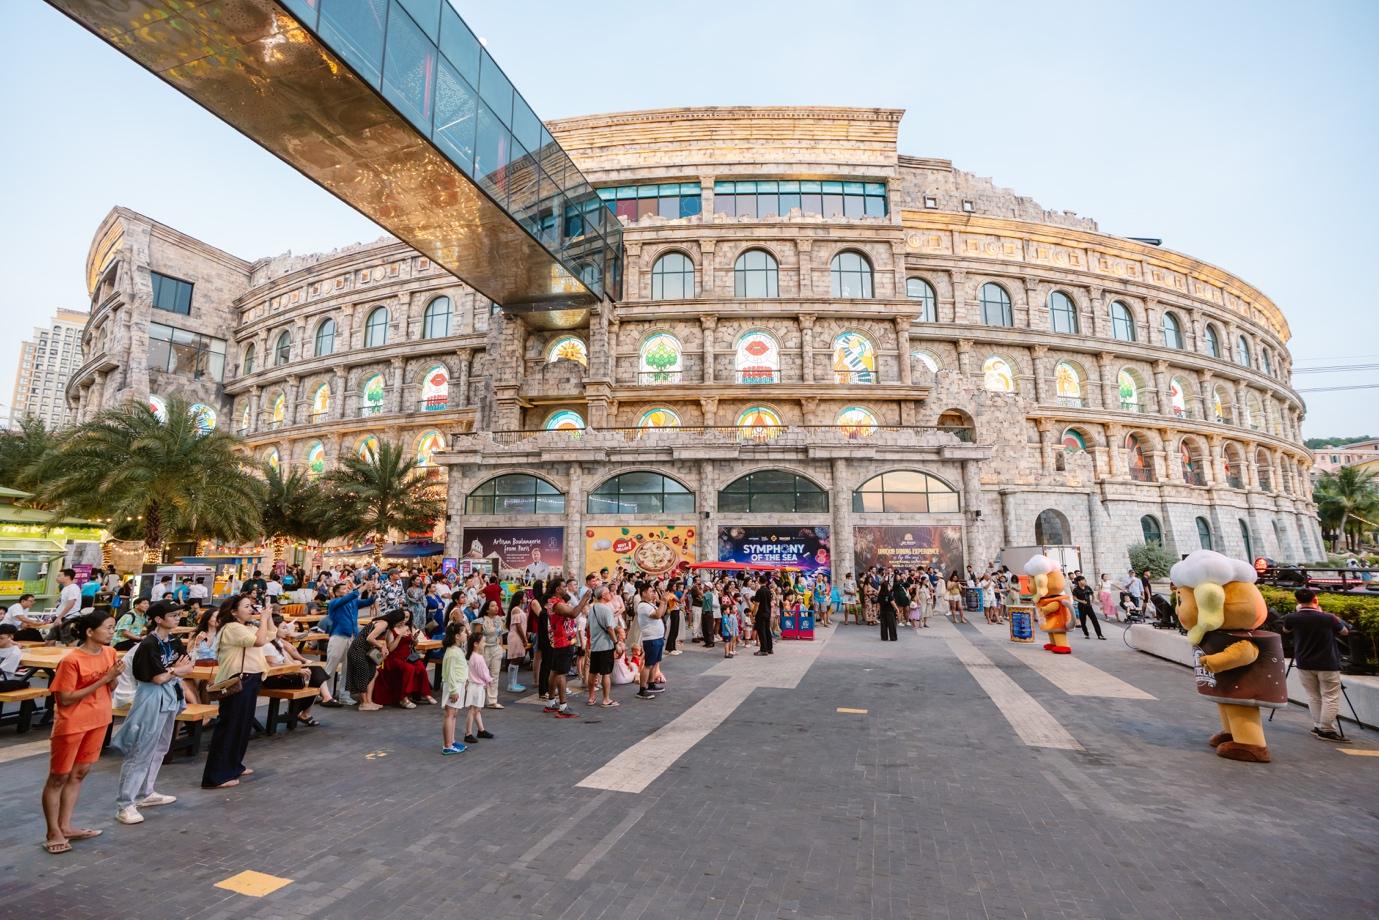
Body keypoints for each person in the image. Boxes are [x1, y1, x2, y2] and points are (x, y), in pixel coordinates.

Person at [43, 611, 121, 854]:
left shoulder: (110, 652)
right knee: (58, 777)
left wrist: (113, 678)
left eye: (113, 627)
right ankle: (53, 831)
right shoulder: (71, 661)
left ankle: (65, 826)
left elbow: (111, 686)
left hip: (98, 719)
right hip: (72, 724)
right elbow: (65, 699)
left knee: (79, 773)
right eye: (108, 628)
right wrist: (105, 679)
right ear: (89, 632)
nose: (111, 632)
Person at [112, 601, 192, 825]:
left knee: (161, 746)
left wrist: (172, 672)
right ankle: (125, 804)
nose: (177, 618)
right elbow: (157, 677)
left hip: (170, 695)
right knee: (141, 750)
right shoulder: (148, 645)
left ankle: (145, 792)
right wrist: (175, 670)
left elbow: (188, 665)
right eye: (173, 615)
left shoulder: (174, 641)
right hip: (149, 698)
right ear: (158, 619)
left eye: (178, 614)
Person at [201, 595, 272, 789]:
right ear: (233, 611)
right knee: (231, 726)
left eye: (251, 606)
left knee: (242, 726)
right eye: (246, 606)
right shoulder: (232, 628)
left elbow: (269, 635)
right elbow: (259, 641)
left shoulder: (246, 627)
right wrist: (264, 618)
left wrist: (268, 616)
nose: (251, 609)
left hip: (251, 678)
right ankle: (216, 776)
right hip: (239, 680)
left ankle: (234, 765)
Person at [1283, 588, 1352, 743]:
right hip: (1327, 663)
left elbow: (1285, 630)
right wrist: (1325, 613)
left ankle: (1318, 726)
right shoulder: (1328, 618)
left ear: (1297, 601)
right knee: (1330, 696)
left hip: (1303, 662)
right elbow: (1345, 632)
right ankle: (1327, 730)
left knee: (1313, 695)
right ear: (1315, 599)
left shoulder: (1292, 618)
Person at [261, 615, 333, 724]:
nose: (287, 631)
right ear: (273, 629)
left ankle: (303, 710)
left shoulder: (278, 642)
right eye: (284, 628)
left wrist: (298, 667)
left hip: (284, 674)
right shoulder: (267, 645)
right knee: (313, 678)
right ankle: (302, 712)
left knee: (315, 672)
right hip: (274, 678)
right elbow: (273, 666)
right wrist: (296, 670)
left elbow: (287, 660)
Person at [320, 580, 375, 707]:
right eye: (344, 588)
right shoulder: (334, 602)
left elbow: (369, 602)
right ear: (336, 592)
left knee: (348, 667)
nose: (347, 589)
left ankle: (344, 695)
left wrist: (372, 591)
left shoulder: (352, 601)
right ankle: (326, 695)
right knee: (331, 665)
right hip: (338, 636)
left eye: (347, 588)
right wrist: (362, 588)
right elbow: (350, 596)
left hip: (351, 636)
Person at [545, 579, 591, 718]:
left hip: (561, 640)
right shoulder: (557, 604)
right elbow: (573, 613)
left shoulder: (556, 601)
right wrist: (584, 599)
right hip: (563, 642)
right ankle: (563, 706)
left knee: (555, 671)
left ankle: (551, 702)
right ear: (557, 589)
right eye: (564, 587)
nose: (566, 589)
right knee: (561, 674)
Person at [347, 609, 406, 711]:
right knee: (363, 675)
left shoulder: (386, 626)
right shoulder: (383, 623)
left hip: (366, 651)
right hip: (358, 649)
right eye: (401, 621)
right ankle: (364, 703)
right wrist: (381, 647)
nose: (401, 623)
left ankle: (369, 701)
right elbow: (370, 638)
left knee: (373, 673)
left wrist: (385, 646)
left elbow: (385, 643)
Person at [371, 619, 435, 709]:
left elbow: (413, 644)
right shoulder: (391, 631)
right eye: (403, 618)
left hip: (408, 657)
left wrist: (414, 639)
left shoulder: (408, 628)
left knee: (421, 667)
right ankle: (403, 697)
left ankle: (426, 693)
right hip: (395, 658)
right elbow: (391, 648)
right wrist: (400, 636)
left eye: (407, 617)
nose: (405, 620)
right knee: (409, 669)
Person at [586, 585, 622, 707]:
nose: (610, 594)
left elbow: (588, 627)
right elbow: (610, 628)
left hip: (595, 645)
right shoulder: (606, 609)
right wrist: (616, 643)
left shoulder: (592, 608)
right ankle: (606, 699)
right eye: (608, 592)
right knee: (606, 673)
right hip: (605, 645)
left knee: (593, 672)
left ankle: (591, 697)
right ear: (603, 595)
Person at [439, 621, 468, 755]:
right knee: (449, 714)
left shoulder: (457, 650)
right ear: (457, 636)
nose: (466, 634)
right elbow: (450, 673)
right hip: (453, 685)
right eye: (464, 632)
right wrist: (453, 690)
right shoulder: (452, 652)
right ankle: (447, 745)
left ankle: (452, 740)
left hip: (458, 684)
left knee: (454, 714)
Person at [463, 628, 496, 745]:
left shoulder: (473, 656)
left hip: (475, 686)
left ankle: (481, 730)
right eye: (483, 642)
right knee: (473, 710)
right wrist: (489, 680)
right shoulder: (478, 658)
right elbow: (483, 673)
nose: (484, 644)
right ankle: (468, 733)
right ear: (476, 644)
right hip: (476, 687)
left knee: (476, 710)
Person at [635, 582, 667, 700]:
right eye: (651, 591)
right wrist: (662, 602)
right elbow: (657, 615)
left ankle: (651, 684)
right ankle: (642, 689)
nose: (653, 593)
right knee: (648, 664)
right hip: (651, 638)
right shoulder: (643, 606)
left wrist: (664, 602)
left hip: (657, 637)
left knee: (655, 662)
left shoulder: (650, 604)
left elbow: (661, 613)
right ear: (644, 593)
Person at [478, 600, 506, 709]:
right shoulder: (481, 621)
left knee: (495, 675)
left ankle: (492, 700)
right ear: (487, 609)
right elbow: (476, 636)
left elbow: (501, 635)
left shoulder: (499, 619)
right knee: (482, 674)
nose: (496, 607)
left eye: (496, 605)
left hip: (496, 648)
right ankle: (479, 699)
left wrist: (501, 648)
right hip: (484, 649)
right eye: (492, 605)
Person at [0, 624, 30, 691]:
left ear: (10, 637)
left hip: (3, 681)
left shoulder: (14, 652)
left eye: (1, 638)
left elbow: (2, 671)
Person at [752, 577, 774, 656]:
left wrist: (753, 614)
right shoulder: (768, 591)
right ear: (766, 582)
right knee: (767, 631)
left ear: (759, 581)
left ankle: (763, 649)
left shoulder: (759, 591)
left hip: (760, 614)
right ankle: (769, 648)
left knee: (761, 632)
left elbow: (757, 604)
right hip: (768, 613)